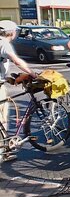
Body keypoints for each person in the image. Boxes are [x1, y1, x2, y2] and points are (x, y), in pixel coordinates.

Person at [0, 21, 38, 158]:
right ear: (12, 32)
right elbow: (16, 61)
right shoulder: (4, 43)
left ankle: (5, 150)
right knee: (2, 118)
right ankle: (3, 151)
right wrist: (32, 73)